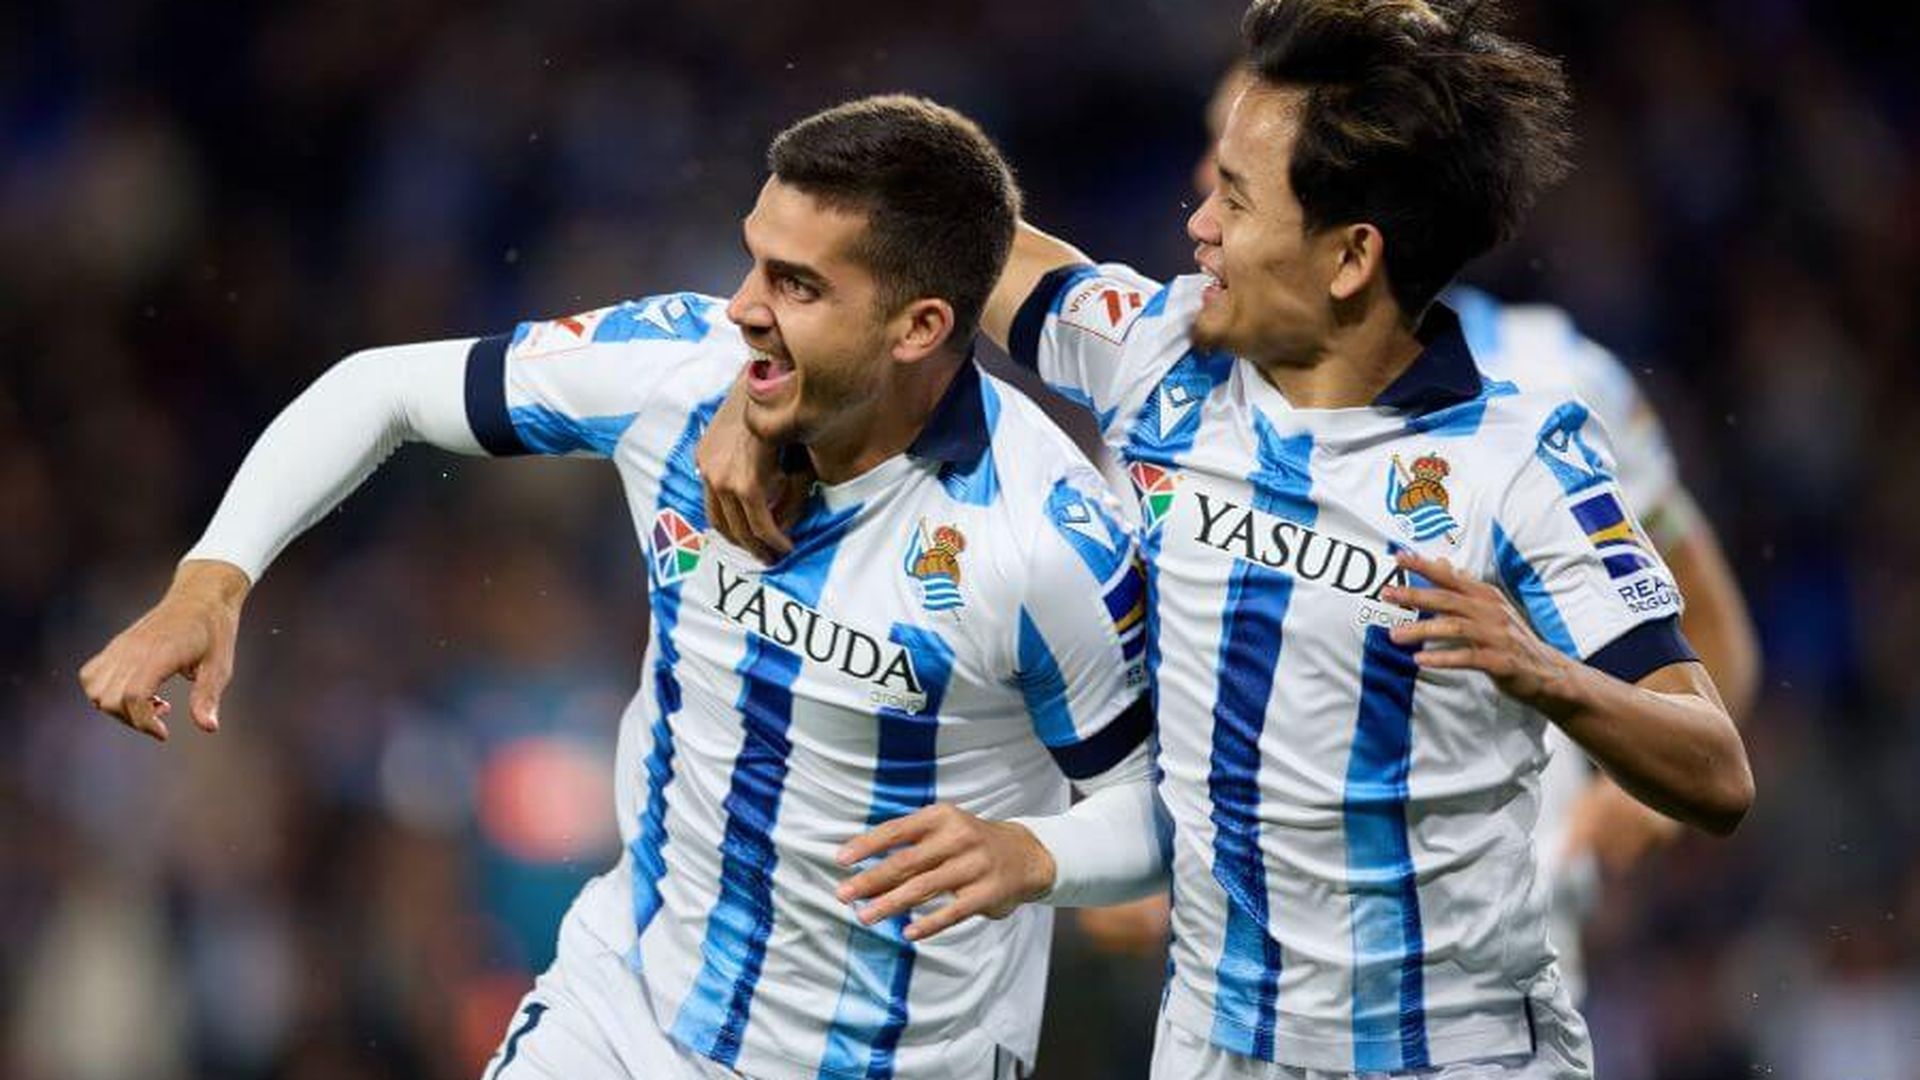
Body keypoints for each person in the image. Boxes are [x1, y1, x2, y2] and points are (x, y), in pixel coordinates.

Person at [700, 4, 1754, 1078]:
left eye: (1237, 198)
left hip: (1456, 1056)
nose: (1198, 223)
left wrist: (1544, 675)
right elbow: (915, 232)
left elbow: (1714, 770)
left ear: (1351, 257)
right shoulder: (1155, 355)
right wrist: (762, 391)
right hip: (1214, 1049)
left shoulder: (1521, 462)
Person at [78, 95, 1168, 1080]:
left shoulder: (1046, 541)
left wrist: (1033, 854)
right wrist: (213, 578)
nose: (742, 307)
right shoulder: (685, 372)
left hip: (900, 1061)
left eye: (796, 286)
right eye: (755, 260)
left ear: (921, 327)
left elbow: (1161, 810)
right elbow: (384, 390)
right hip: (627, 1017)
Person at [1072, 63, 1767, 1004]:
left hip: (1478, 971)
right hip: (1255, 986)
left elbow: (1707, 641)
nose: (1201, 178)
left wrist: (1632, 807)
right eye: (1214, 146)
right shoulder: (1172, 399)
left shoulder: (1558, 381)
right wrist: (1102, 826)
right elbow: (1137, 653)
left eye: (1239, 165)